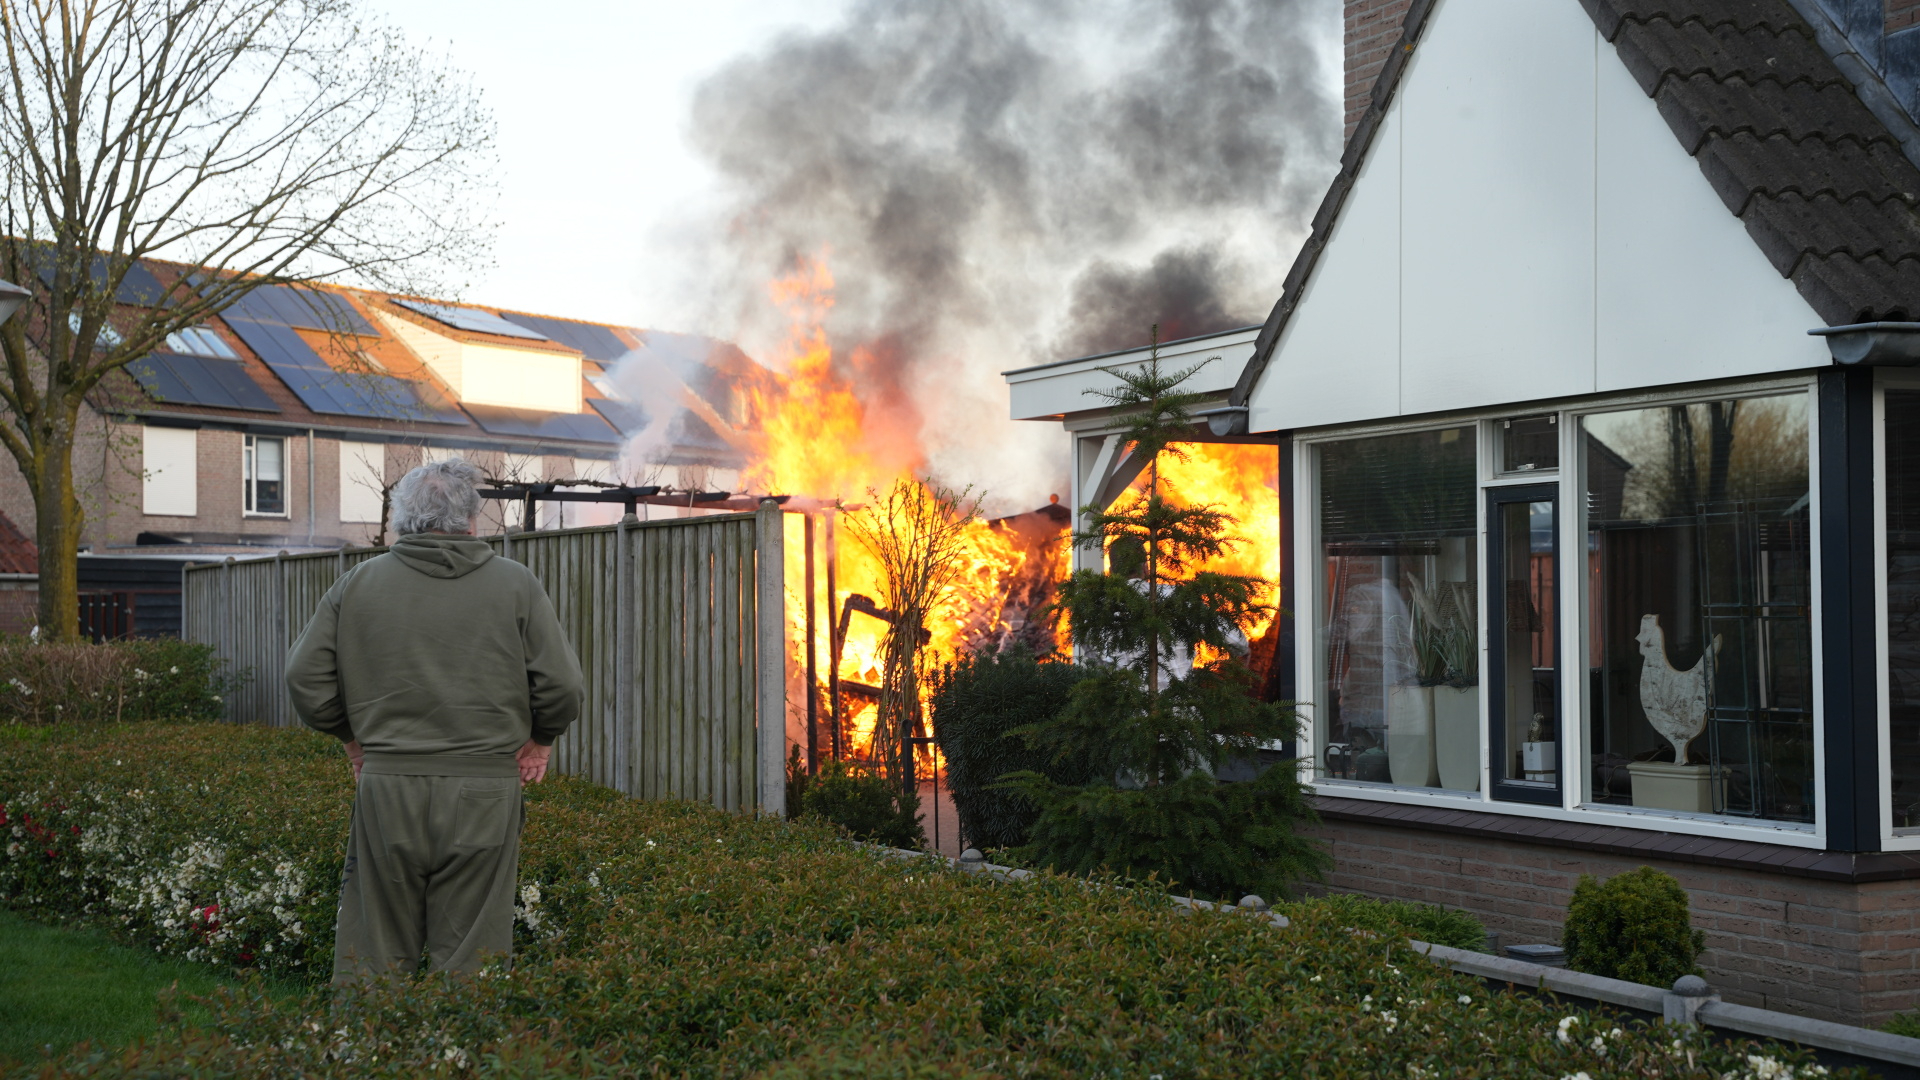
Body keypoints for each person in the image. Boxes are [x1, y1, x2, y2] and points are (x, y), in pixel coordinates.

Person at [286, 458, 584, 983]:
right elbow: (561, 685)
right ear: (472, 520)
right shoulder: (516, 585)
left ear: (402, 520)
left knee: (373, 949)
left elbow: (304, 677)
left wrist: (351, 741)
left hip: (387, 788)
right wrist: (540, 741)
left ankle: (368, 1055)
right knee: (473, 953)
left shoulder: (358, 584)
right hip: (485, 791)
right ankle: (461, 1058)